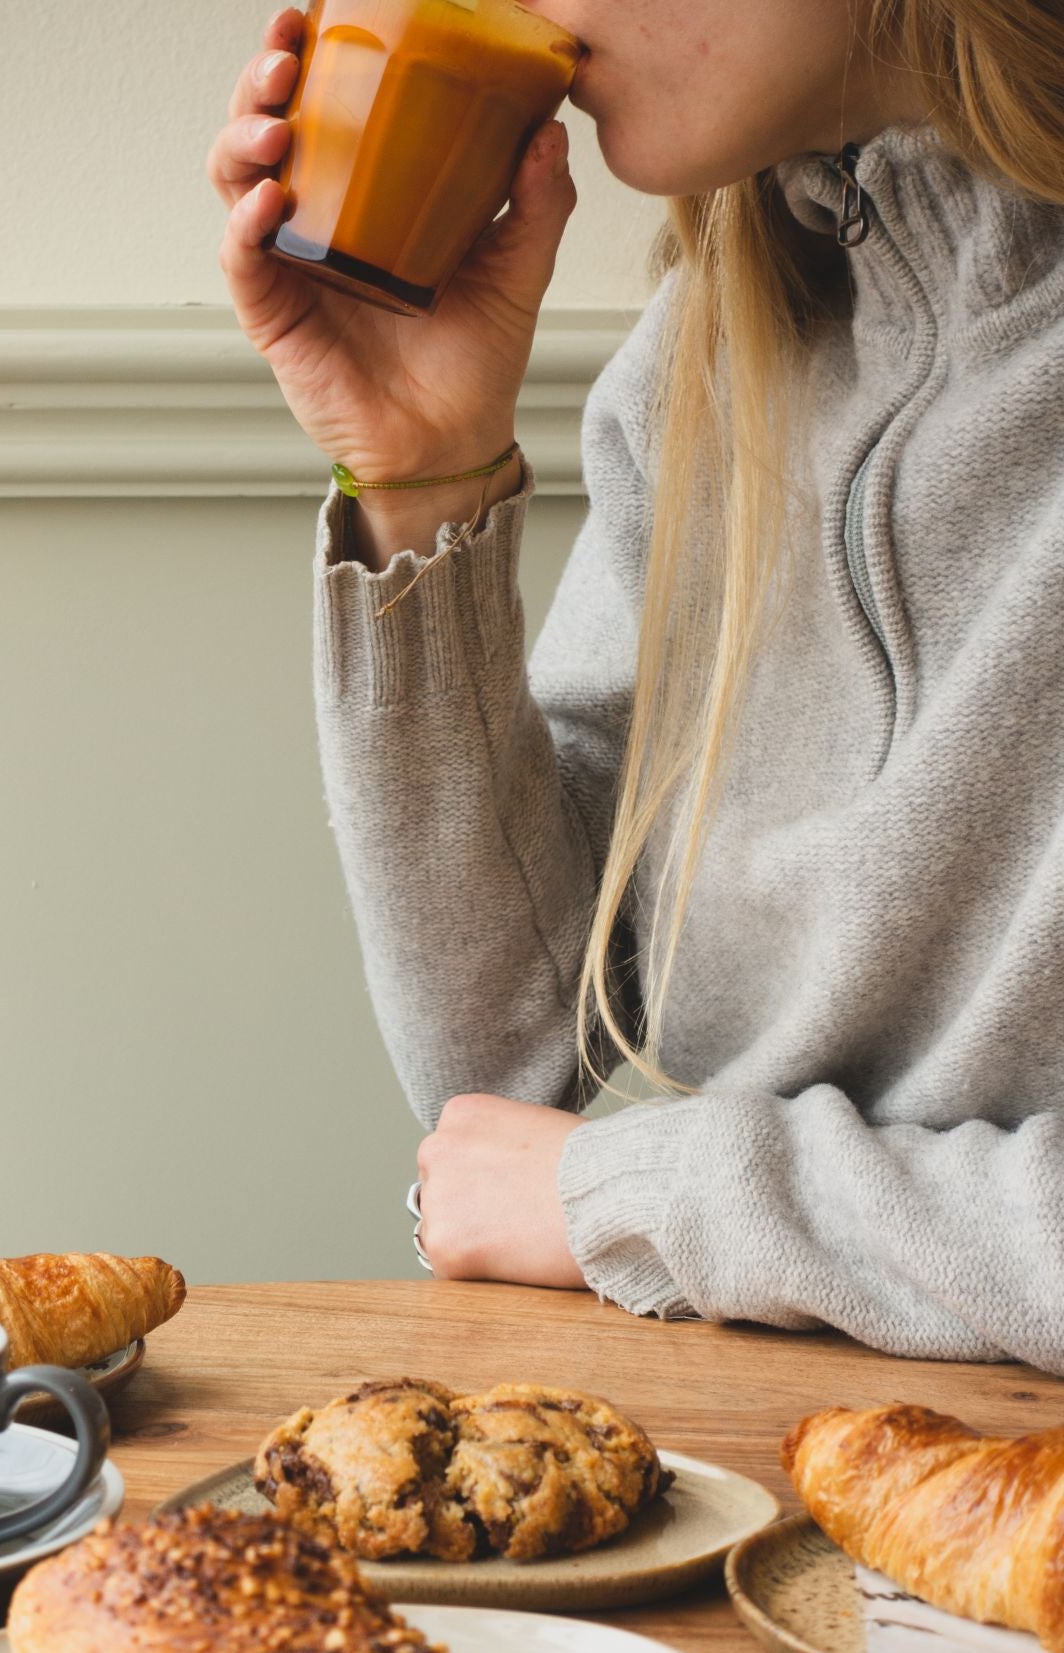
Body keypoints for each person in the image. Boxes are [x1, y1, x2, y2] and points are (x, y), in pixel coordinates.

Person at [210, 2, 1064, 1369]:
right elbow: (511, 1075)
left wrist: (653, 1193)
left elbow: (557, 1175)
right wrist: (424, 476)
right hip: (757, 1466)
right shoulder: (704, 360)